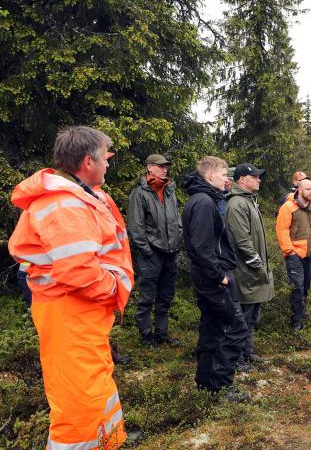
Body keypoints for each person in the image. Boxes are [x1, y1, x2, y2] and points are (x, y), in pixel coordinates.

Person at [9, 125, 134, 450]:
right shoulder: (66, 205)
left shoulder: (82, 196)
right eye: (105, 158)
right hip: (71, 312)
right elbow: (79, 272)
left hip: (82, 313)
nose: (109, 164)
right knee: (79, 397)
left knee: (95, 381)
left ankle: (107, 440)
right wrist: (113, 289)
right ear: (88, 162)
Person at [182, 156, 247, 391]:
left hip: (210, 276)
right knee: (235, 329)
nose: (226, 179)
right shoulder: (203, 203)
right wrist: (220, 276)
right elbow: (201, 246)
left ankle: (206, 383)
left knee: (212, 328)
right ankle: (220, 385)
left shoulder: (205, 199)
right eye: (222, 175)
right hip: (214, 279)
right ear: (210, 176)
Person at [126, 154, 182, 346]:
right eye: (160, 166)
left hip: (170, 252)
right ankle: (146, 336)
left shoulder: (169, 191)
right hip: (151, 254)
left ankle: (162, 334)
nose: (165, 169)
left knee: (165, 296)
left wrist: (177, 241)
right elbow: (135, 228)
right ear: (149, 167)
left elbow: (177, 220)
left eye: (166, 166)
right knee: (147, 298)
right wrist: (147, 251)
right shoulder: (139, 194)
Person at [226, 163, 275, 365]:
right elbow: (242, 240)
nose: (259, 179)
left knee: (252, 316)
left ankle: (247, 352)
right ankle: (238, 359)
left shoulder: (249, 201)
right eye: (255, 176)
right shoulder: (237, 203)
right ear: (242, 180)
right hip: (245, 271)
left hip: (253, 270)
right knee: (242, 318)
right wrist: (258, 264)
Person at [276, 178, 311, 330]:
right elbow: (281, 230)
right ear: (300, 190)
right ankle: (296, 322)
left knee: (306, 287)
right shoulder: (288, 207)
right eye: (308, 189)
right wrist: (289, 251)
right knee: (297, 287)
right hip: (295, 254)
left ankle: (302, 315)